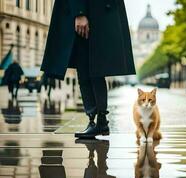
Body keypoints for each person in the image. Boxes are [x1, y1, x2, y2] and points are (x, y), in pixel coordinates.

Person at [40, 0, 136, 139]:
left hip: (89, 11)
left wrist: (80, 12)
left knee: (89, 67)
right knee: (90, 67)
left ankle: (97, 121)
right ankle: (98, 120)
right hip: (94, 10)